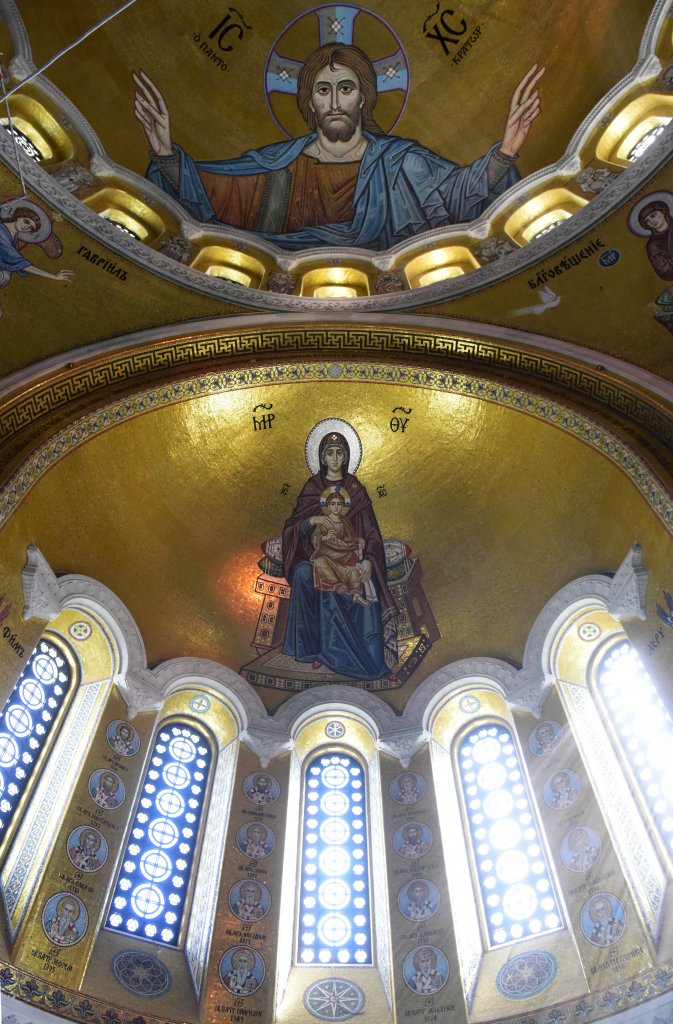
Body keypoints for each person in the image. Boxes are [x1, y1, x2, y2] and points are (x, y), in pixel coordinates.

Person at [133, 45, 543, 251]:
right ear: (309, 102)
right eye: (322, 90)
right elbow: (213, 193)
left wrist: (505, 151)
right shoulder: (278, 165)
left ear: (363, 99)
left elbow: (458, 195)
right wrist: (166, 153)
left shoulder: (399, 162)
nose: (333, 102)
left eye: (345, 89)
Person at [282, 430, 397, 680]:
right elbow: (292, 529)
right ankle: (315, 650)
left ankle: (373, 663)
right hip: (319, 557)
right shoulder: (312, 488)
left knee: (363, 579)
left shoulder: (355, 490)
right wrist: (311, 521)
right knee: (305, 573)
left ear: (346, 457)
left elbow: (371, 534)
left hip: (349, 558)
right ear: (322, 458)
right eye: (330, 453)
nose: (335, 459)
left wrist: (369, 559)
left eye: (339, 453)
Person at [311, 488, 371, 606]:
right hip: (327, 552)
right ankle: (337, 585)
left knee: (352, 568)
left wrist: (357, 539)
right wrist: (326, 537)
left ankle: (357, 595)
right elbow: (315, 538)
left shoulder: (345, 520)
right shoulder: (324, 521)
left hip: (343, 551)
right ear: (329, 505)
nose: (336, 507)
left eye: (339, 504)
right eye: (333, 504)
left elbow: (349, 538)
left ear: (342, 506)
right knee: (319, 562)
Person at [638, 200, 673, 280]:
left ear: (663, 211)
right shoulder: (653, 245)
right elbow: (664, 271)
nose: (652, 221)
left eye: (653, 215)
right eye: (647, 221)